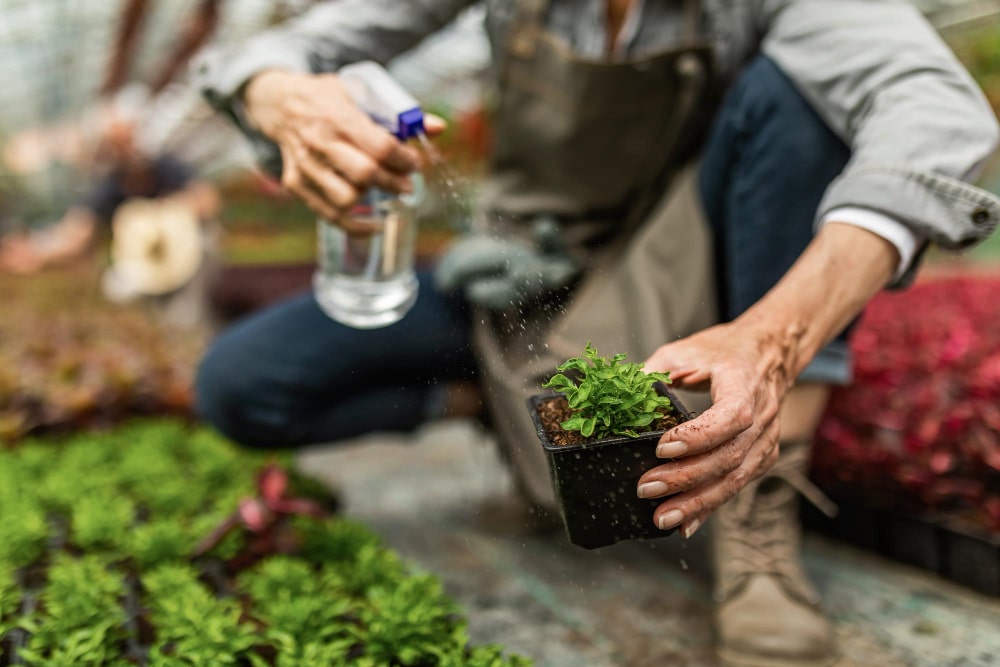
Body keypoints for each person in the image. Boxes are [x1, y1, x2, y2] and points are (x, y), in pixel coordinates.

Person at [193, 1, 1000, 665]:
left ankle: (760, 514)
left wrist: (771, 336)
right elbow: (286, 49)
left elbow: (936, 109)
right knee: (246, 385)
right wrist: (280, 96)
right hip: (514, 273)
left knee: (800, 96)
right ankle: (490, 399)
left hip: (678, 265)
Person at [0, 121, 219, 275]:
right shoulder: (108, 188)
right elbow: (77, 234)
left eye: (131, 140)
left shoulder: (166, 167)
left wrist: (165, 213)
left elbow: (208, 200)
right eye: (119, 146)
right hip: (143, 268)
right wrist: (38, 252)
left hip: (192, 256)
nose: (129, 150)